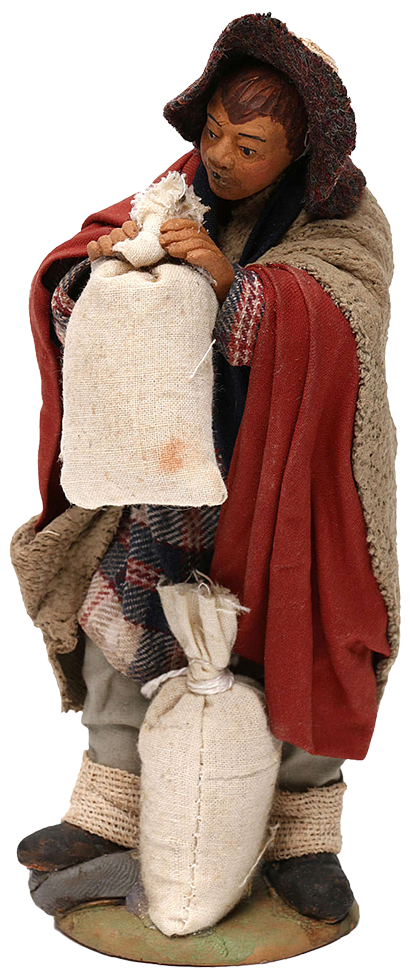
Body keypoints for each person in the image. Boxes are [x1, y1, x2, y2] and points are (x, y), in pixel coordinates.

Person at [13, 13, 399, 925]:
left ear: (300, 154)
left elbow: (343, 316)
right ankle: (111, 808)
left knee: (303, 632)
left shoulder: (347, 220)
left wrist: (236, 286)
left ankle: (304, 834)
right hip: (169, 468)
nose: (220, 156)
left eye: (249, 146)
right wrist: (100, 278)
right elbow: (80, 262)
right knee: (121, 619)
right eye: (216, 130)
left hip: (291, 480)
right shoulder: (180, 188)